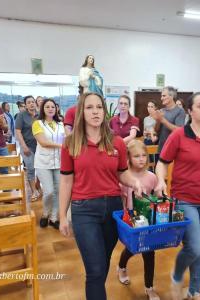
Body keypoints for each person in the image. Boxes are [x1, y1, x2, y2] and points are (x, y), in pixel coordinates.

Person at [59, 92, 143, 300]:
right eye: (89, 107)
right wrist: (62, 216)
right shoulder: (71, 143)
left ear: (105, 111)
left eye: (99, 107)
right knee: (95, 270)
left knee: (102, 264)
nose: (95, 111)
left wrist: (135, 181)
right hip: (84, 210)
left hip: (113, 209)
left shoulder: (117, 143)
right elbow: (66, 181)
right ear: (81, 112)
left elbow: (122, 172)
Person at [155, 92, 200, 300]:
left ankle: (194, 290)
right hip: (184, 198)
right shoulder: (179, 135)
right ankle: (177, 273)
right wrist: (160, 181)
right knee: (193, 247)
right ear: (190, 111)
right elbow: (162, 162)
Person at [116, 140, 160, 300]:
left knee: (149, 252)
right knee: (132, 248)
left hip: (148, 222)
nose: (141, 159)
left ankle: (149, 288)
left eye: (143, 155)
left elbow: (156, 198)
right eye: (136, 156)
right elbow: (121, 200)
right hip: (130, 221)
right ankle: (121, 267)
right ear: (128, 157)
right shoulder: (124, 177)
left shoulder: (152, 177)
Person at [32, 99, 65, 229]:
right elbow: (43, 142)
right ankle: (45, 214)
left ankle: (53, 217)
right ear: (43, 109)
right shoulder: (37, 124)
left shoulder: (61, 124)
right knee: (49, 191)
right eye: (47, 107)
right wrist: (62, 145)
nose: (50, 109)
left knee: (58, 191)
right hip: (43, 163)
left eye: (53, 107)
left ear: (56, 109)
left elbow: (68, 138)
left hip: (59, 162)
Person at [15, 95, 40, 202]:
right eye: (29, 102)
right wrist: (23, 146)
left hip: (39, 146)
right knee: (30, 168)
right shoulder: (21, 115)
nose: (31, 104)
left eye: (33, 102)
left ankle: (37, 186)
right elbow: (18, 131)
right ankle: (34, 191)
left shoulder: (39, 115)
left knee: (40, 168)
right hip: (27, 145)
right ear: (25, 105)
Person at [151, 86, 186, 152]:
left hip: (174, 148)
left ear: (171, 96)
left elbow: (179, 130)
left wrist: (162, 120)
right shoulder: (161, 111)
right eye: (161, 96)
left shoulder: (180, 111)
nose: (161, 98)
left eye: (164, 96)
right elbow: (156, 131)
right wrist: (158, 121)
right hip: (161, 148)